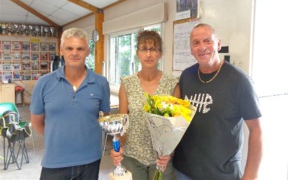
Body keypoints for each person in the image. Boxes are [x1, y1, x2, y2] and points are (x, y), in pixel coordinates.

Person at [173, 23, 263, 180]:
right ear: (191, 50)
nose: (202, 47)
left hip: (221, 174)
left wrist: (250, 176)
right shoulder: (186, 76)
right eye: (196, 42)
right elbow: (177, 120)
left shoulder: (239, 81)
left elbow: (257, 130)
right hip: (184, 171)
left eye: (208, 41)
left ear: (218, 44)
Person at [30, 28, 110, 180]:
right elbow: (37, 122)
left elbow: (105, 119)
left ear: (88, 51)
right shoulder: (44, 83)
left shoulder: (101, 83)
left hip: (90, 161)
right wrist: (59, 139)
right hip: (54, 161)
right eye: (69, 48)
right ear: (62, 51)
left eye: (80, 48)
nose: (75, 53)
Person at [110, 30, 180, 180]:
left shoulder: (172, 84)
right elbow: (123, 121)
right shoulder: (127, 83)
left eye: (153, 49)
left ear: (160, 53)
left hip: (162, 158)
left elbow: (176, 125)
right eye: (144, 49)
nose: (149, 54)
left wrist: (168, 154)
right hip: (132, 156)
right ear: (137, 53)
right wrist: (118, 148)